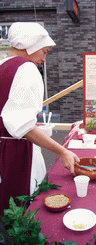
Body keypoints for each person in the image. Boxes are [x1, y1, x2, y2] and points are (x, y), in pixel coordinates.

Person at [0, 22, 79, 215]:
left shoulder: (2, 64)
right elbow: (23, 126)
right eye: (44, 52)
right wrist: (62, 151)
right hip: (15, 153)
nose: (44, 59)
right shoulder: (26, 69)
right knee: (21, 210)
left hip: (3, 145)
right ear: (31, 46)